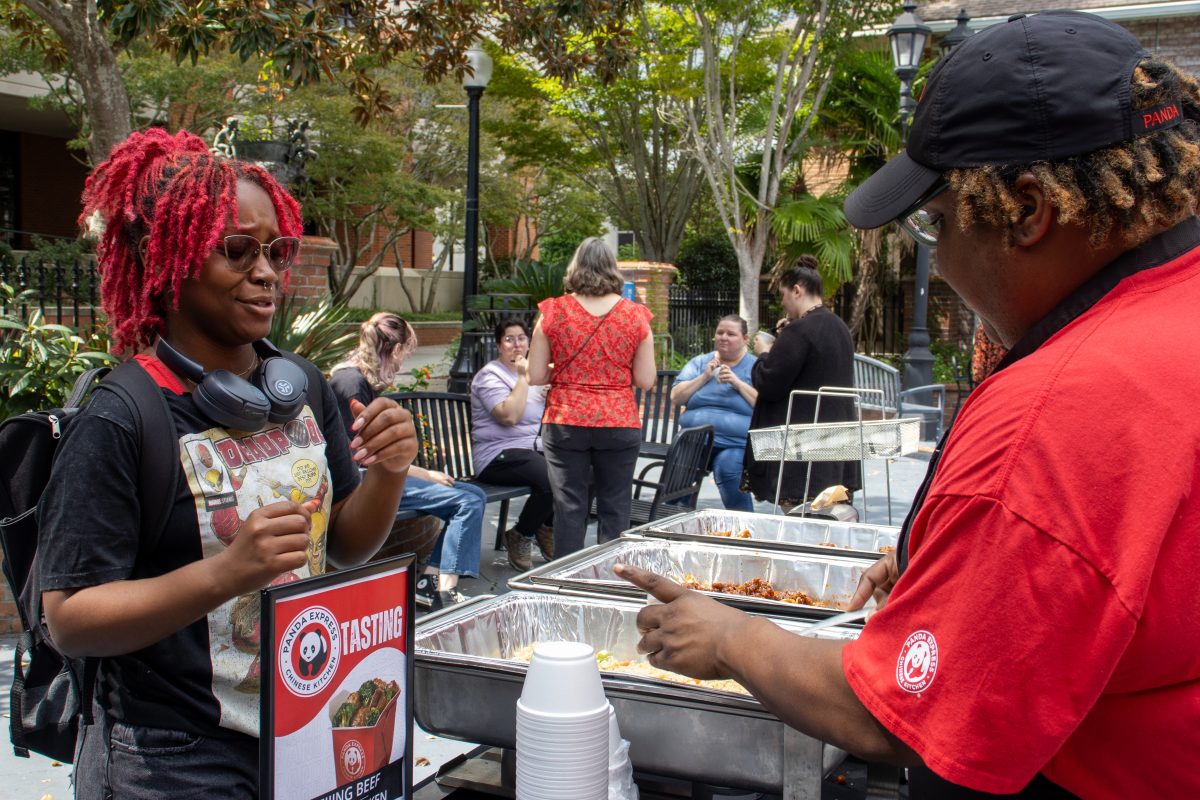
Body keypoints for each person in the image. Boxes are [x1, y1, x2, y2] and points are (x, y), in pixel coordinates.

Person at [617, 12, 1200, 798]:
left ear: (1030, 210)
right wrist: (964, 562)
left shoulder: (1056, 413)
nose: (944, 259)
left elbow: (894, 713)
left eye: (938, 224)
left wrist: (731, 636)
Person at [36, 129, 417, 798]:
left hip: (305, 728)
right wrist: (224, 575)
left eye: (276, 250)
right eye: (237, 250)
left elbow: (350, 548)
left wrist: (388, 472)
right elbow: (69, 617)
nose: (267, 272)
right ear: (172, 258)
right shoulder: (122, 418)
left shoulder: (301, 388)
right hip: (176, 757)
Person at [329, 312, 485, 609]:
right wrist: (426, 473)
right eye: (406, 352)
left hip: (372, 477)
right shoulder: (351, 384)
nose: (403, 362)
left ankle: (430, 583)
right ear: (396, 349)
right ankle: (441, 589)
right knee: (467, 502)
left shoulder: (358, 378)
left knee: (474, 494)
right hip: (362, 485)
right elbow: (363, 457)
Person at [527, 237, 656, 557]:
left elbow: (536, 376)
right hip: (618, 421)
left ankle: (565, 583)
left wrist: (572, 373)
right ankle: (612, 583)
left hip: (566, 419)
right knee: (615, 507)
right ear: (612, 268)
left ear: (575, 266)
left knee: (569, 508)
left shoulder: (552, 312)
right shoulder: (636, 316)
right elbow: (645, 379)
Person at [742, 257, 861, 508]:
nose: (783, 303)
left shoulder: (800, 330)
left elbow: (769, 382)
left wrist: (764, 352)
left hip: (803, 444)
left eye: (783, 295)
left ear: (797, 290)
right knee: (826, 512)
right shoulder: (839, 327)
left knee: (801, 517)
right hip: (835, 438)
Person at [469, 317, 555, 571]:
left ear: (529, 342)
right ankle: (521, 534)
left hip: (530, 450)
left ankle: (546, 526)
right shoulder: (490, 376)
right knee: (552, 478)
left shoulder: (535, 376)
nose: (516, 345)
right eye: (509, 339)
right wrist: (523, 379)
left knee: (578, 468)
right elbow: (509, 416)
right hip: (497, 456)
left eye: (521, 338)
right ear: (499, 345)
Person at [669, 315, 758, 512]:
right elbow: (676, 397)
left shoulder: (755, 366)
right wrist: (704, 377)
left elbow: (764, 404)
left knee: (728, 470)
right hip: (694, 440)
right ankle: (671, 524)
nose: (724, 337)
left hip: (734, 443)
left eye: (731, 334)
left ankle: (744, 527)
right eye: (720, 332)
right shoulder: (700, 362)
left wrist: (737, 383)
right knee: (678, 480)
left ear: (745, 339)